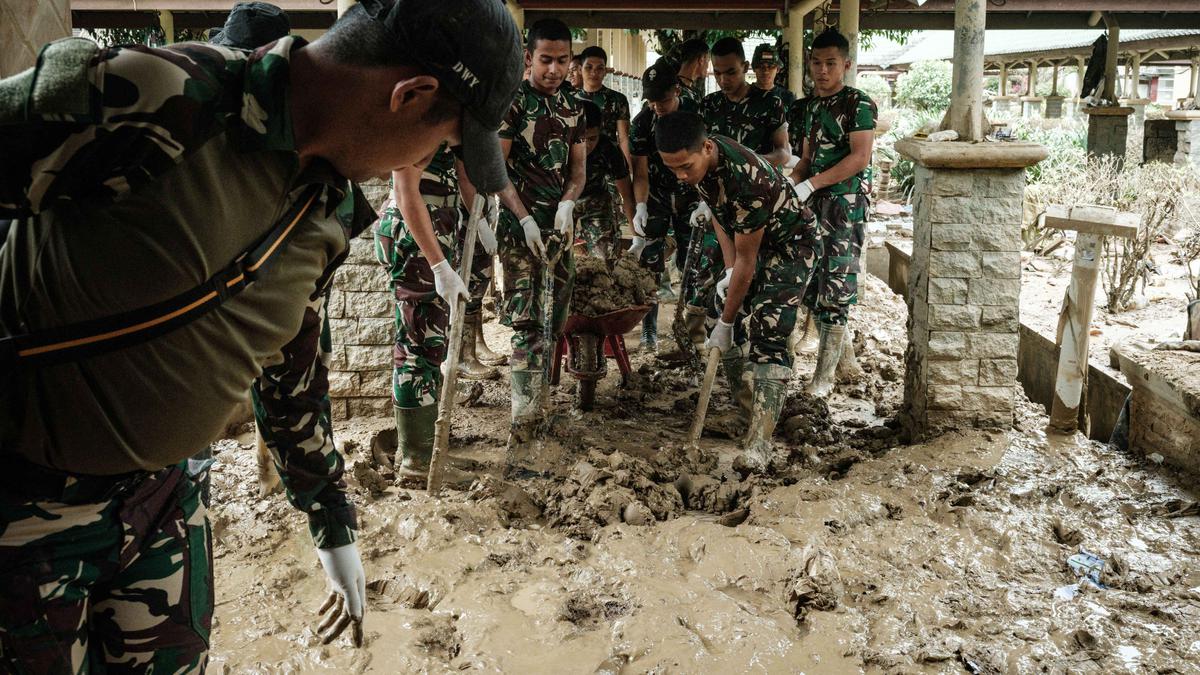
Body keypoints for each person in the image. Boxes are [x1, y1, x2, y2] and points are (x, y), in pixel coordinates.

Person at [0, 0, 522, 669]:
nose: (430, 159)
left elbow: (292, 365)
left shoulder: (326, 205)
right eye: (443, 143)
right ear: (409, 94)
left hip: (161, 505)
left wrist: (330, 521)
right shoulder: (164, 97)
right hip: (25, 510)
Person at [656, 111, 816, 474]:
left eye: (684, 166)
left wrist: (728, 318)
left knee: (768, 332)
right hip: (750, 242)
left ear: (707, 147)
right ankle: (748, 412)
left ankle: (760, 444)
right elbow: (720, 214)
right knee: (721, 311)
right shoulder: (704, 165)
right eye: (672, 169)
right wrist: (727, 273)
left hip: (791, 246)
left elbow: (749, 258)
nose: (680, 175)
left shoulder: (748, 181)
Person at [374, 143, 501, 487]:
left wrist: (479, 219)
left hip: (440, 225)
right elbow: (404, 189)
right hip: (417, 231)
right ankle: (417, 462)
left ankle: (420, 449)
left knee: (430, 345)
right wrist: (438, 264)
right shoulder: (425, 117)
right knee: (419, 345)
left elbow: (462, 172)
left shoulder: (456, 116)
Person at [493, 18, 587, 460]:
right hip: (520, 233)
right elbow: (497, 171)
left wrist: (568, 201)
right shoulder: (512, 103)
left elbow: (578, 171)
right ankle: (523, 425)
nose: (553, 69)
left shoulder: (574, 106)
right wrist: (525, 218)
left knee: (555, 321)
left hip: (559, 233)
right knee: (527, 325)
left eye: (562, 61)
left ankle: (541, 407)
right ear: (528, 58)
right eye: (545, 60)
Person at [789, 28, 877, 398]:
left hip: (844, 206)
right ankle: (844, 361)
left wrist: (814, 184)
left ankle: (823, 379)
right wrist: (790, 184)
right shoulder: (809, 107)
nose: (822, 70)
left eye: (830, 63)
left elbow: (859, 158)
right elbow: (805, 160)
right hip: (812, 205)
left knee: (837, 288)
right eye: (816, 62)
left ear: (846, 65)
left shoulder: (858, 104)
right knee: (808, 283)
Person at [628, 61, 701, 351]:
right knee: (650, 263)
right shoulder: (642, 123)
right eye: (651, 100)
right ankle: (649, 331)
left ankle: (690, 329)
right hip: (657, 196)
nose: (656, 105)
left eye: (663, 99)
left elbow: (707, 159)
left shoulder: (696, 113)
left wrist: (704, 201)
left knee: (692, 262)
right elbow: (641, 173)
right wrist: (641, 206)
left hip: (691, 196)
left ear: (678, 90)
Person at [576, 101, 635, 260]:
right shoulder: (560, 144)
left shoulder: (608, 148)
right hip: (560, 201)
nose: (587, 145)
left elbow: (627, 195)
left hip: (596, 201)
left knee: (604, 256)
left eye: (592, 138)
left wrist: (636, 234)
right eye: (582, 138)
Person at [574, 45, 632, 166]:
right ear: (580, 69)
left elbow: (623, 138)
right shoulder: (571, 99)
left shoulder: (617, 99)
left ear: (605, 71)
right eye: (588, 67)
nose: (594, 72)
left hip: (608, 163)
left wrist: (628, 169)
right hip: (577, 163)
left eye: (599, 68)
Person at [666, 38, 711, 108]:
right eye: (708, 61)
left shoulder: (693, 92)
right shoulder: (674, 91)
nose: (708, 66)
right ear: (701, 59)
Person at [751, 43, 796, 108]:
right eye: (761, 66)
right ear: (754, 68)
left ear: (778, 69)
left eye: (770, 66)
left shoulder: (787, 97)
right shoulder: (744, 94)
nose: (766, 71)